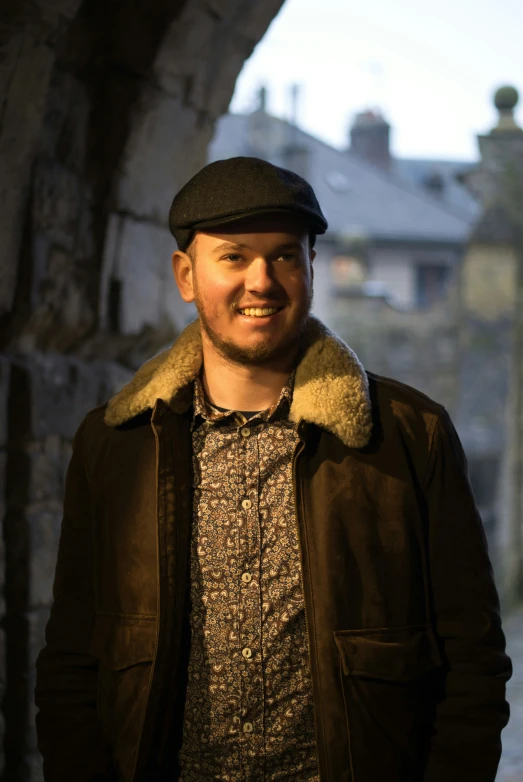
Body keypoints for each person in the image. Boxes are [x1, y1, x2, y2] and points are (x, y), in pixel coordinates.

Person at [35, 156, 512, 782]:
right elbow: (73, 657)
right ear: (185, 274)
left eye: (285, 255)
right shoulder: (116, 442)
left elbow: (473, 660)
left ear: (312, 267)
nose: (261, 281)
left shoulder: (407, 435)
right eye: (233, 256)